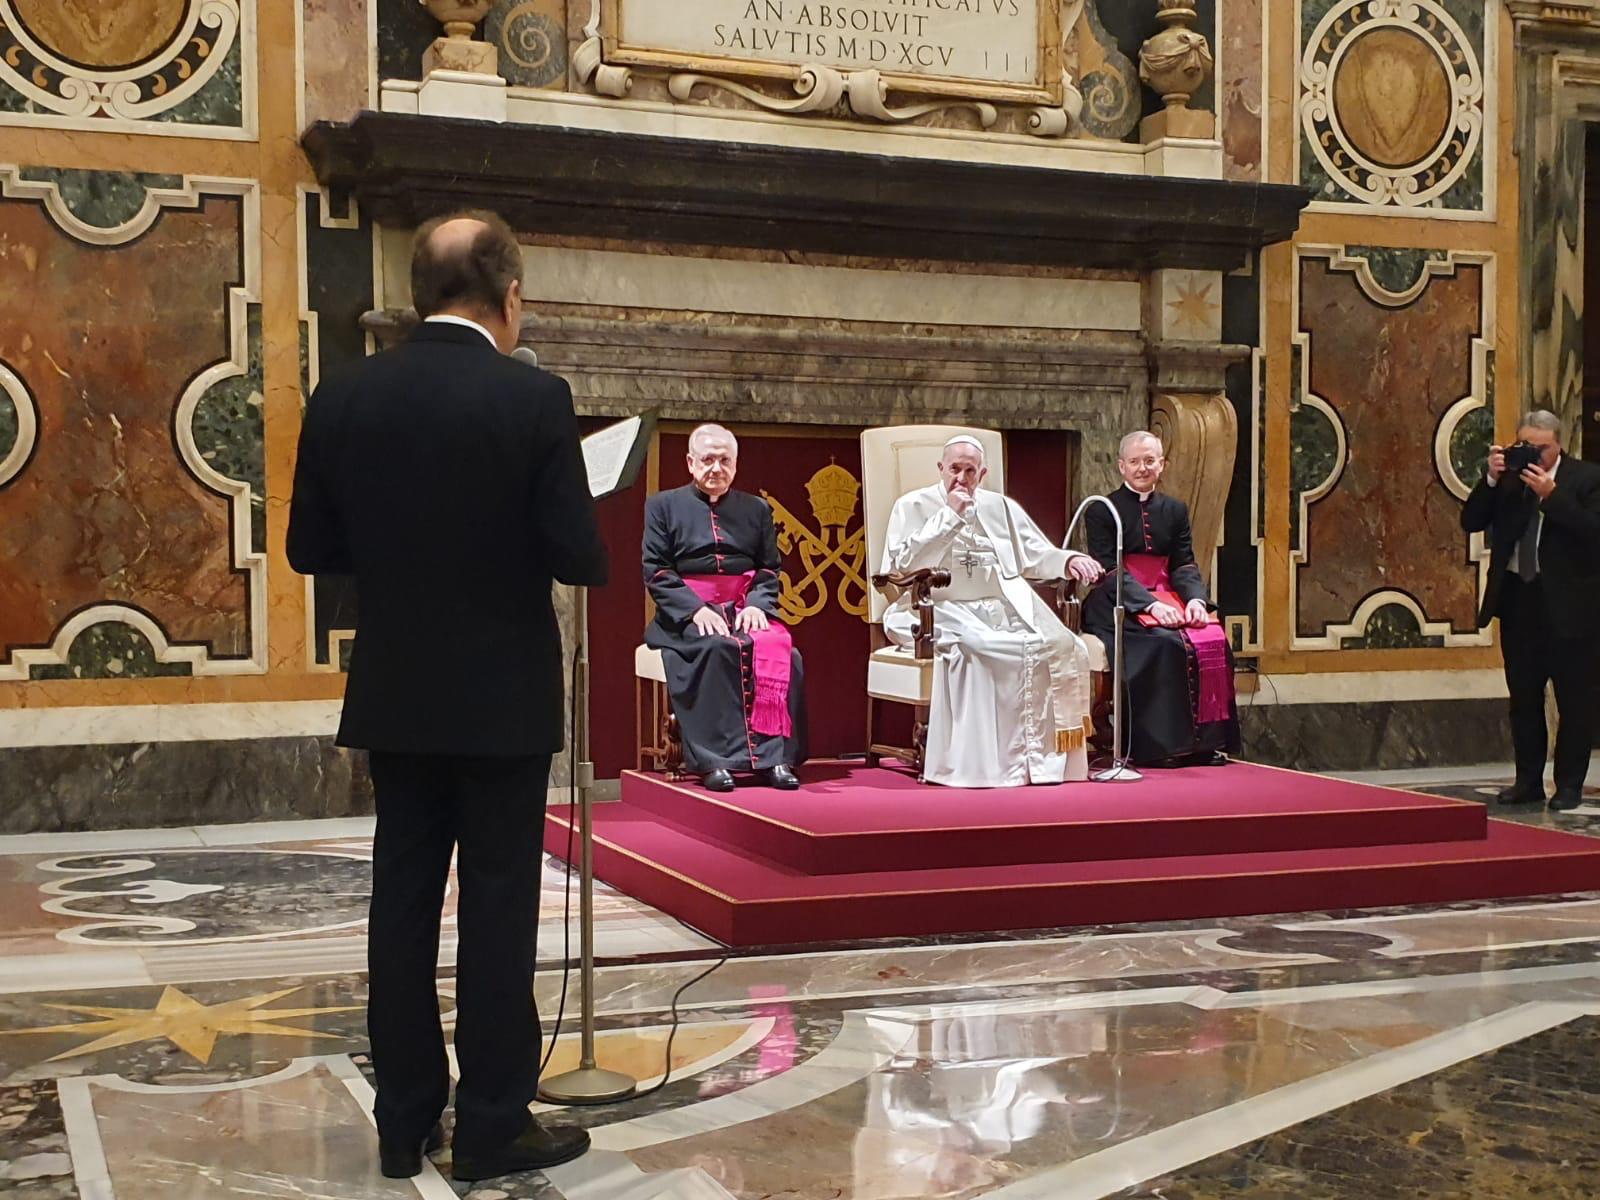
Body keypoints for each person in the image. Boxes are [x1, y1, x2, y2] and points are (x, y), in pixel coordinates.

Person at [287, 210, 603, 1183]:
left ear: (419, 294)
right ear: (509, 297)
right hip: (503, 701)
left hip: (397, 692)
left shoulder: (344, 394)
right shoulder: (535, 398)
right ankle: (494, 1125)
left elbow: (309, 549)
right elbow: (575, 556)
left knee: (402, 904)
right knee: (499, 912)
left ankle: (403, 1122)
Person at [880, 435, 1102, 788]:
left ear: (982, 474)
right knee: (980, 650)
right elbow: (903, 564)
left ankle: (1041, 765)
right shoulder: (912, 505)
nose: (962, 478)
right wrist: (949, 515)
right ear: (941, 468)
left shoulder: (1000, 507)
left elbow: (1036, 553)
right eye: (955, 469)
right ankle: (980, 766)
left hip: (1000, 607)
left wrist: (1069, 559)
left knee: (1063, 646)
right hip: (936, 607)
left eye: (970, 471)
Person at [643, 424, 807, 792]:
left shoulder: (757, 508)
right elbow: (657, 570)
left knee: (786, 655)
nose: (716, 468)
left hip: (742, 607)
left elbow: (769, 567)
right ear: (690, 462)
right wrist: (694, 610)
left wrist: (757, 604)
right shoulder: (662, 506)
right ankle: (714, 761)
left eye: (724, 460)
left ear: (735, 464)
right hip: (685, 614)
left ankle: (775, 759)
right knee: (716, 648)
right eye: (707, 459)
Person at [1461, 410, 1600, 811]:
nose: (1533, 454)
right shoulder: (1508, 478)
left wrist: (1552, 496)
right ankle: (1527, 781)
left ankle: (1570, 784)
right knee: (1523, 698)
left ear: (1558, 444)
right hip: (1519, 603)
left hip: (1570, 607)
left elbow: (1593, 532)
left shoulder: (1587, 478)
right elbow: (1470, 520)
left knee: (1574, 700)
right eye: (1525, 445)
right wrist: (1489, 478)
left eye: (1541, 448)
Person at [1083, 431, 1240, 767]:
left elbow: (1183, 562)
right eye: (1135, 461)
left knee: (1212, 638)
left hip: (1169, 595)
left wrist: (1196, 600)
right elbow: (1109, 569)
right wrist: (1150, 605)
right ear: (1121, 466)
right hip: (1117, 602)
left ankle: (1205, 745)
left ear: (1162, 464)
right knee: (1164, 643)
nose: (1143, 468)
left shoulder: (1175, 509)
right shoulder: (1102, 510)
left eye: (1150, 460)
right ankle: (1159, 747)